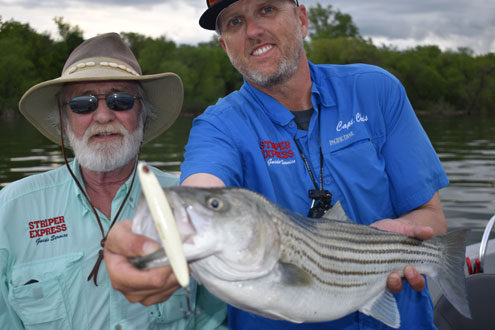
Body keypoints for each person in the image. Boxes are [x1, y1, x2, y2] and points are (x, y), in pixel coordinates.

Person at [104, 1, 449, 329]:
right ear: (225, 46)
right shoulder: (218, 126)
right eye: (235, 22)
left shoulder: (376, 89)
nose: (252, 30)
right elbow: (202, 189)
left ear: (301, 19)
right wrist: (143, 240)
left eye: (266, 9)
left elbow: (431, 217)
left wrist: (393, 243)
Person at [0, 32, 226, 330]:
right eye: (83, 103)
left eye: (121, 101)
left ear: (143, 116)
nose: (103, 115)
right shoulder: (10, 209)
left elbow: (213, 320)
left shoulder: (191, 204)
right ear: (64, 120)